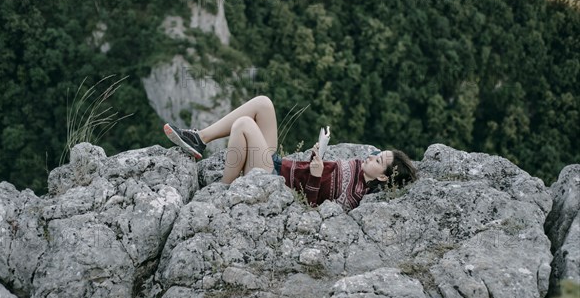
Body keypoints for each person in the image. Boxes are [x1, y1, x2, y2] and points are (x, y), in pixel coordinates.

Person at [163, 95, 417, 211]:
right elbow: (322, 173)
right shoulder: (360, 165)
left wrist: (316, 177)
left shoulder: (355, 195)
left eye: (379, 160)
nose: (372, 156)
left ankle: (225, 188)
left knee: (244, 125)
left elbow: (316, 207)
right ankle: (199, 138)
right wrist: (317, 157)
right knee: (263, 103)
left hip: (272, 180)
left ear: (383, 178)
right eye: (378, 153)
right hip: (278, 165)